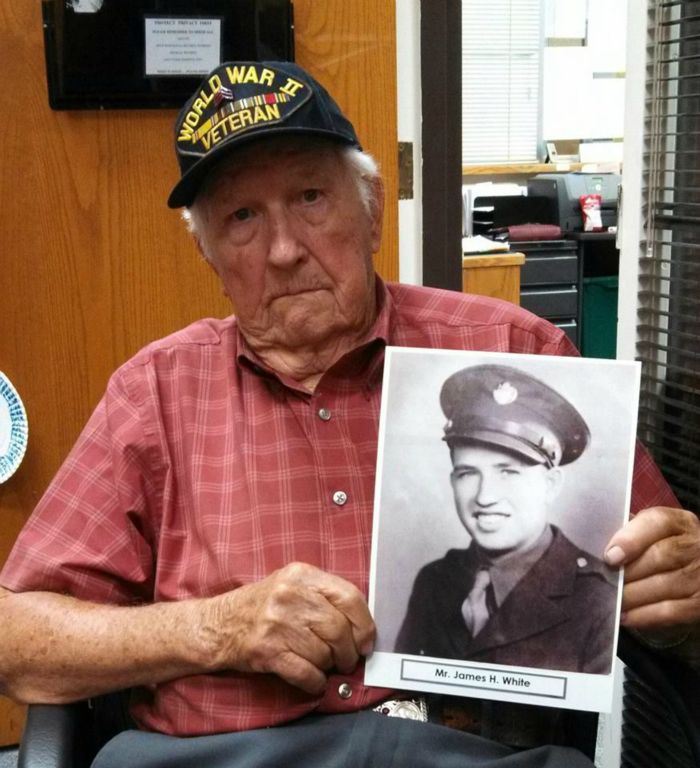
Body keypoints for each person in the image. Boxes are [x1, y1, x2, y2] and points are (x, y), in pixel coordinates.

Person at [0, 60, 698, 768]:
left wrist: (680, 599)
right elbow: (15, 641)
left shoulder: (514, 350)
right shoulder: (154, 394)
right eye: (242, 217)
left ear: (371, 210)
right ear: (206, 252)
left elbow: (665, 602)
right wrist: (217, 627)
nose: (282, 250)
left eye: (310, 197)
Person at [395, 364, 617, 673]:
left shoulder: (599, 602)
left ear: (551, 485)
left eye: (508, 472)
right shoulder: (435, 581)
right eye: (467, 473)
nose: (485, 496)